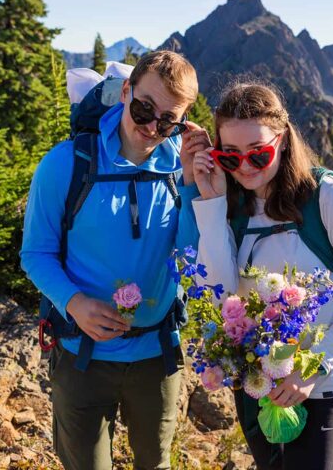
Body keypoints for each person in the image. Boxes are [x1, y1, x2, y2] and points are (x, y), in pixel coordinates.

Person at [20, 50, 210, 470]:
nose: (150, 127)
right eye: (143, 108)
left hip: (157, 353)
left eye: (167, 121)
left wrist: (195, 185)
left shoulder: (181, 173)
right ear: (125, 91)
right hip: (82, 352)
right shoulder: (65, 165)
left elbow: (190, 260)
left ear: (183, 122)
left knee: (154, 463)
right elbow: (35, 253)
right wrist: (74, 303)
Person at [190, 82, 333, 470]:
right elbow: (220, 295)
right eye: (230, 157)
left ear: (282, 141)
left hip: (324, 384)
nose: (244, 167)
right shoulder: (233, 206)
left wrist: (309, 368)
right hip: (256, 384)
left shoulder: (327, 197)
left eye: (257, 153)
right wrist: (212, 203)